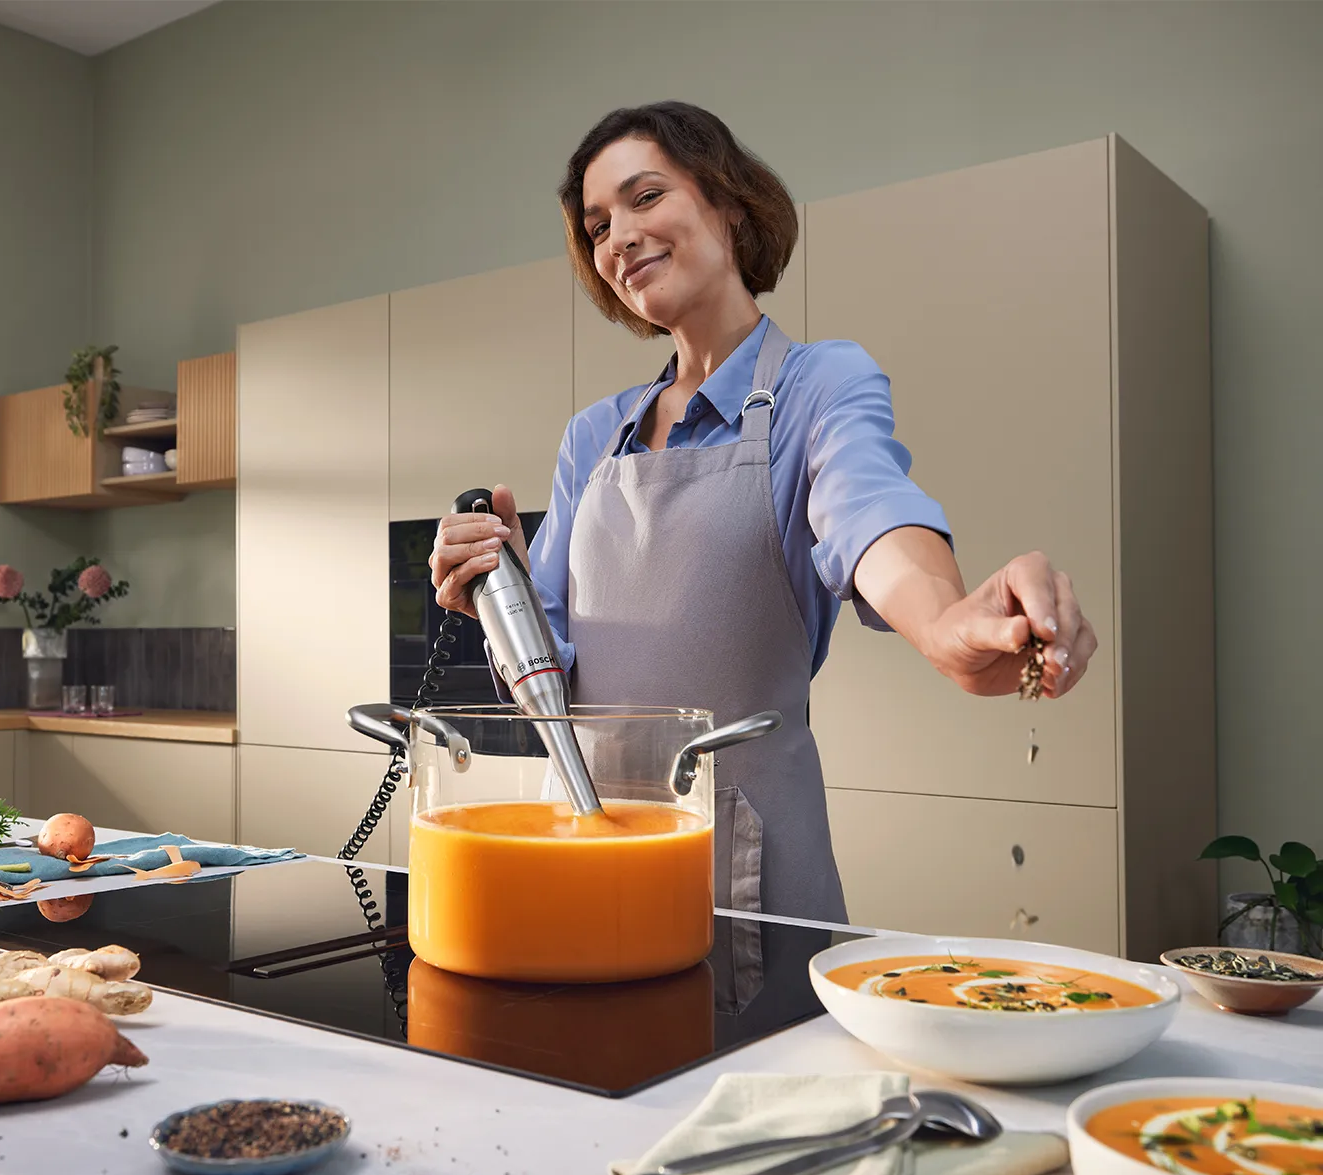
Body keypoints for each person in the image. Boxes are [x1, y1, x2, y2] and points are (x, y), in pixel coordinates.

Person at [428, 101, 1098, 923]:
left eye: (645, 198)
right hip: (582, 843)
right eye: (598, 227)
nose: (619, 239)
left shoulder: (819, 386)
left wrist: (944, 623)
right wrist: (500, 598)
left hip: (745, 867)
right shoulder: (592, 438)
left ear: (729, 205)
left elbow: (869, 511)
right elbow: (557, 678)